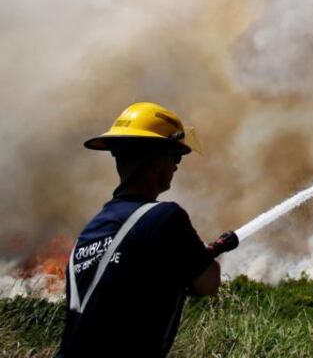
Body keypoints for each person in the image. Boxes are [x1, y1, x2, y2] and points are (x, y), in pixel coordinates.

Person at [56, 102, 222, 358]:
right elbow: (208, 283)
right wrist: (203, 256)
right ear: (157, 162)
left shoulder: (89, 233)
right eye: (175, 157)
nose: (177, 166)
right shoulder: (165, 218)